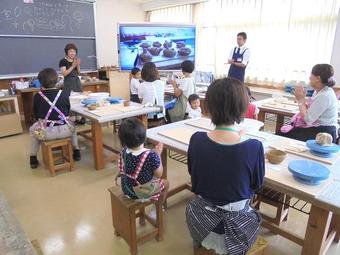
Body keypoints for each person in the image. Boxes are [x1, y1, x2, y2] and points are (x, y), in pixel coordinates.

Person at [185, 78, 265, 255]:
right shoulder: (254, 146)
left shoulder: (196, 139)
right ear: (243, 108)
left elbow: (193, 173)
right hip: (238, 225)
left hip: (200, 219)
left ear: (209, 107)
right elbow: (257, 185)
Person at [29, 68, 81, 169]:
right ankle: (76, 151)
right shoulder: (64, 93)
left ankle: (33, 158)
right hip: (66, 131)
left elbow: (36, 115)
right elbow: (67, 110)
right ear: (57, 80)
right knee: (73, 126)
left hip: (46, 134)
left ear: (40, 82)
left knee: (32, 130)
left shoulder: (37, 96)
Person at [277, 64, 338, 143]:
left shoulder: (325, 95)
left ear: (318, 78)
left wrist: (300, 100)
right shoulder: (319, 91)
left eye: (311, 75)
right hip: (317, 128)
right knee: (283, 132)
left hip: (323, 133)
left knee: (281, 135)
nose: (309, 77)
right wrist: (302, 101)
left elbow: (308, 119)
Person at [116, 118, 169, 202]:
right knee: (166, 183)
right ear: (144, 136)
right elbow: (159, 174)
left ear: (123, 141)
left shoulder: (124, 151)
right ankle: (160, 205)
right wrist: (158, 154)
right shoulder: (151, 155)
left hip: (126, 189)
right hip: (141, 193)